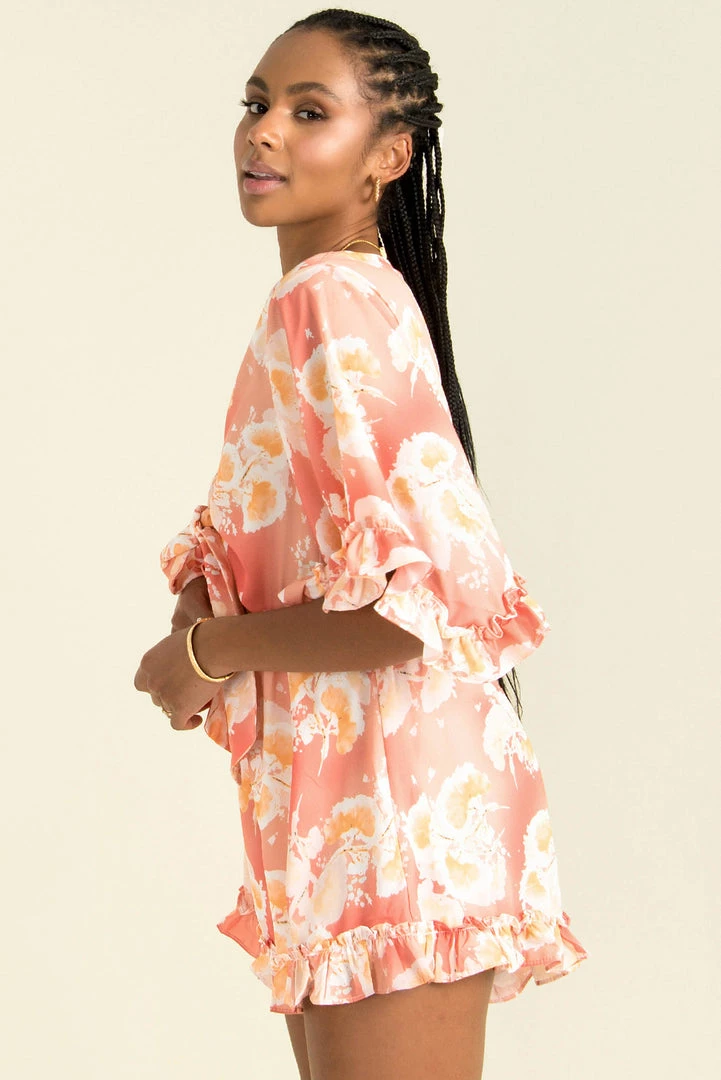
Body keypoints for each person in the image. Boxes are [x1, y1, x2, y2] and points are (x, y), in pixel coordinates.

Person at [134, 9, 588, 1079]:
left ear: (389, 156)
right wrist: (204, 620)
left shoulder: (328, 300)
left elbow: (410, 611)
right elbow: (299, 558)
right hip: (350, 816)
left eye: (309, 112)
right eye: (256, 104)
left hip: (389, 819)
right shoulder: (334, 301)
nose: (264, 133)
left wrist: (206, 653)